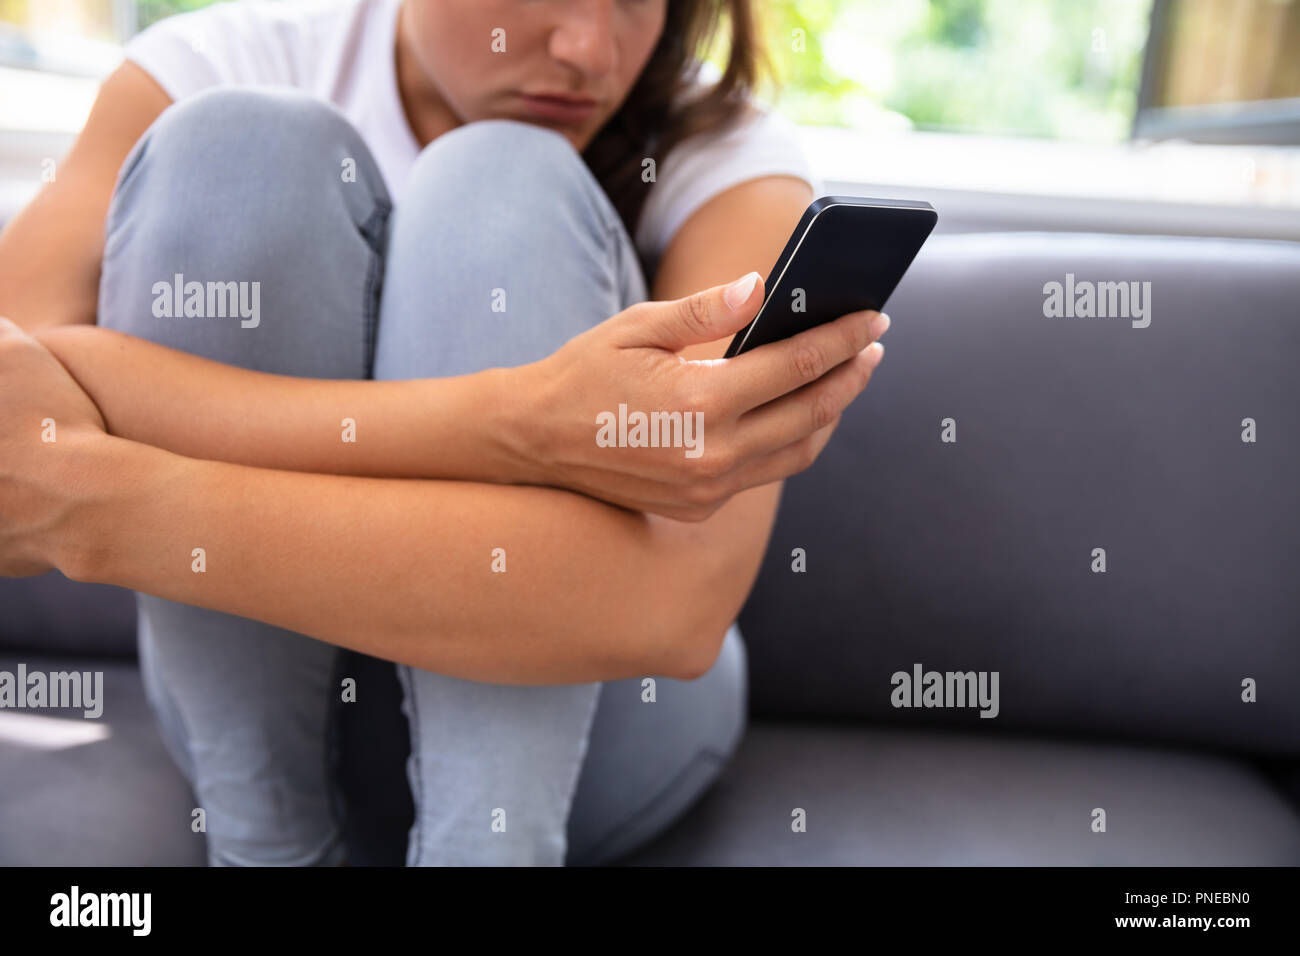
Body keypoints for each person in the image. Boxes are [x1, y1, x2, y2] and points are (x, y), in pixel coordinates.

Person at [0, 0, 890, 866]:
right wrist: (520, 420)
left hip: (600, 726)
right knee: (232, 145)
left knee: (503, 177)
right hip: (242, 714)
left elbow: (674, 608)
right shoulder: (212, 64)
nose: (588, 48)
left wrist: (115, 504)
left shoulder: (726, 157)